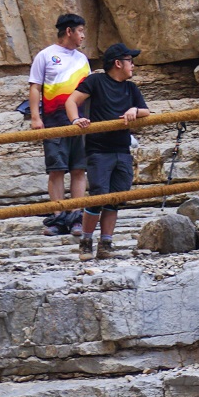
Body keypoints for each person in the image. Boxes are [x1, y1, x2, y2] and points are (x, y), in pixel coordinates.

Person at [68, 43, 150, 259]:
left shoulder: (131, 88)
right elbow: (72, 100)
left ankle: (106, 244)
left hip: (122, 149)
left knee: (115, 198)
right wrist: (76, 119)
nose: (132, 65)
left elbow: (146, 111)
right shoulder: (96, 81)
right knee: (98, 196)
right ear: (117, 63)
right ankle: (86, 241)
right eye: (129, 61)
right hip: (99, 150)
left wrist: (134, 110)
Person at [28, 13, 90, 234]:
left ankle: (75, 216)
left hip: (82, 122)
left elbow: (87, 91)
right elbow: (35, 87)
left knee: (79, 169)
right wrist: (36, 117)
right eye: (80, 31)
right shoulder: (45, 56)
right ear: (69, 31)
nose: (83, 35)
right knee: (56, 169)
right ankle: (57, 217)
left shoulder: (82, 59)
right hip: (54, 121)